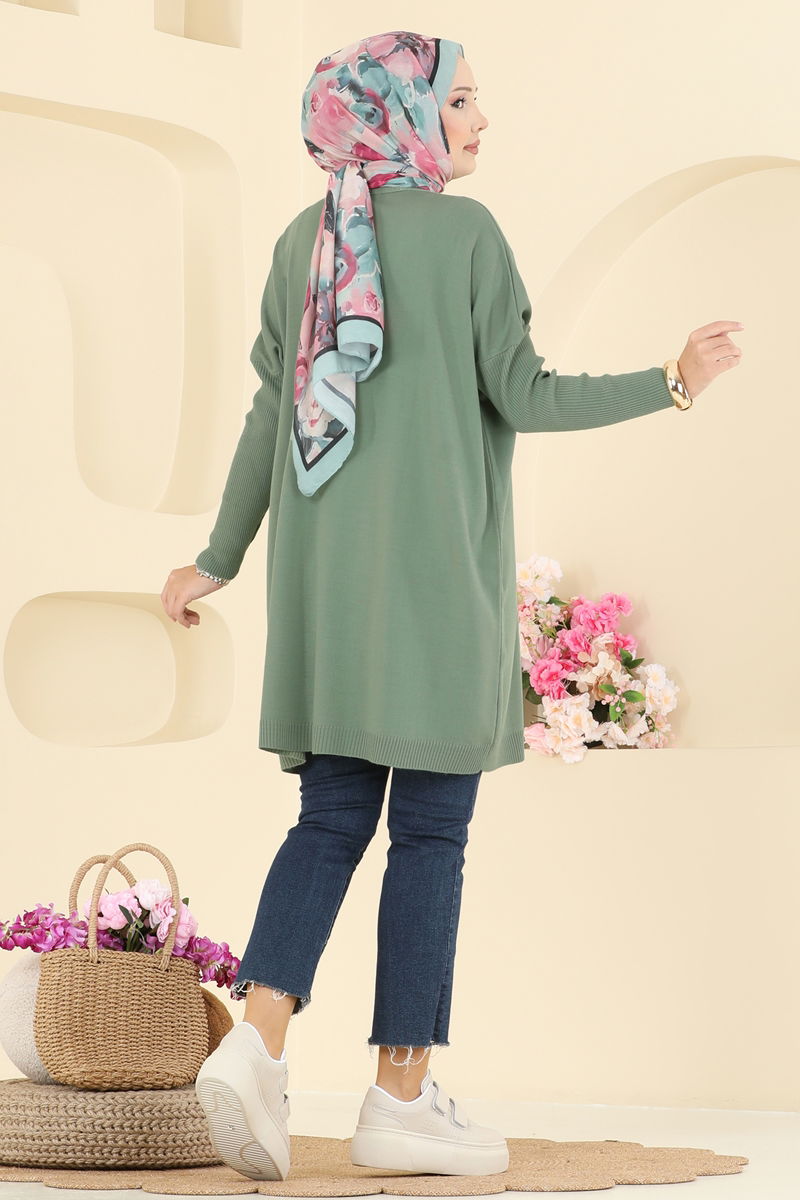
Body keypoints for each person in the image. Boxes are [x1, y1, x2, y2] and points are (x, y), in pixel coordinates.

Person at [163, 30, 744, 1183]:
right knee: (429, 835)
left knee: (329, 821)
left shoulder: (300, 242)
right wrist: (671, 382)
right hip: (436, 590)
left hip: (327, 598)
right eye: (461, 99)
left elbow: (269, 420)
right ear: (397, 113)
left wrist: (215, 559)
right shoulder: (467, 234)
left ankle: (255, 1047)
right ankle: (399, 1099)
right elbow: (525, 395)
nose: (480, 121)